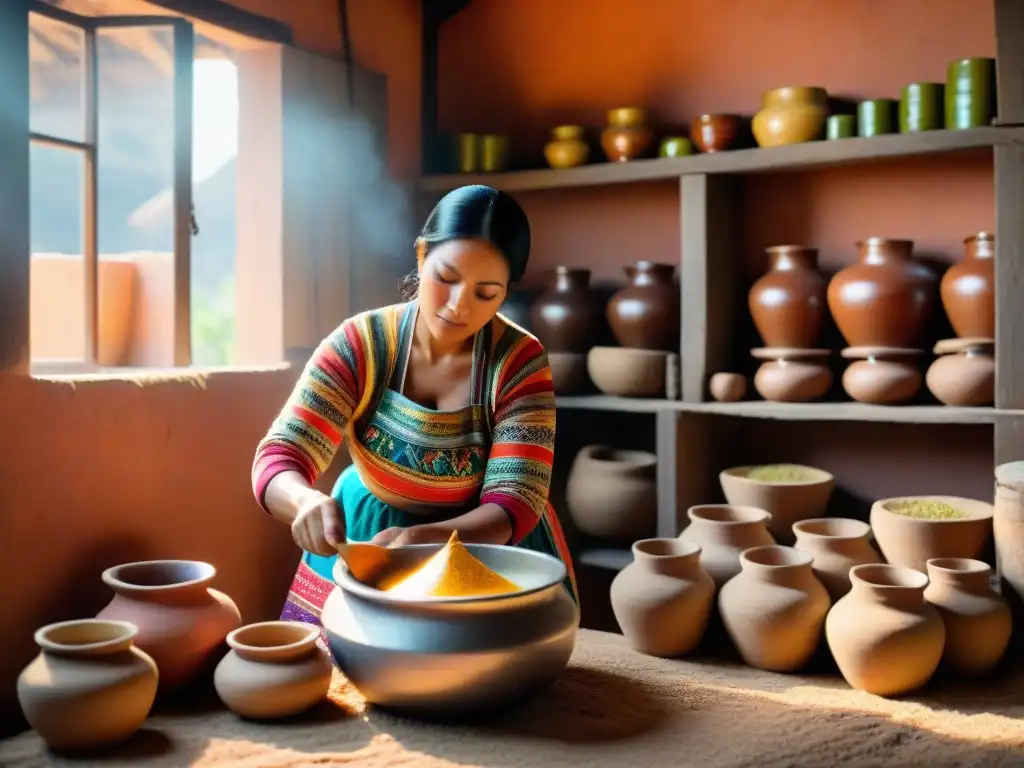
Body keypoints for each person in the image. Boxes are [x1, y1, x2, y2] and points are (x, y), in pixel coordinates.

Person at [251, 184, 577, 629]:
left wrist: (425, 540)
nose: (459, 306)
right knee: (347, 682)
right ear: (421, 257)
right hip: (369, 531)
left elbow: (514, 501)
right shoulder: (360, 345)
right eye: (446, 278)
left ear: (506, 292)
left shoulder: (519, 361)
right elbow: (280, 456)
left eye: (486, 293)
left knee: (483, 682)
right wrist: (303, 500)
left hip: (485, 543)